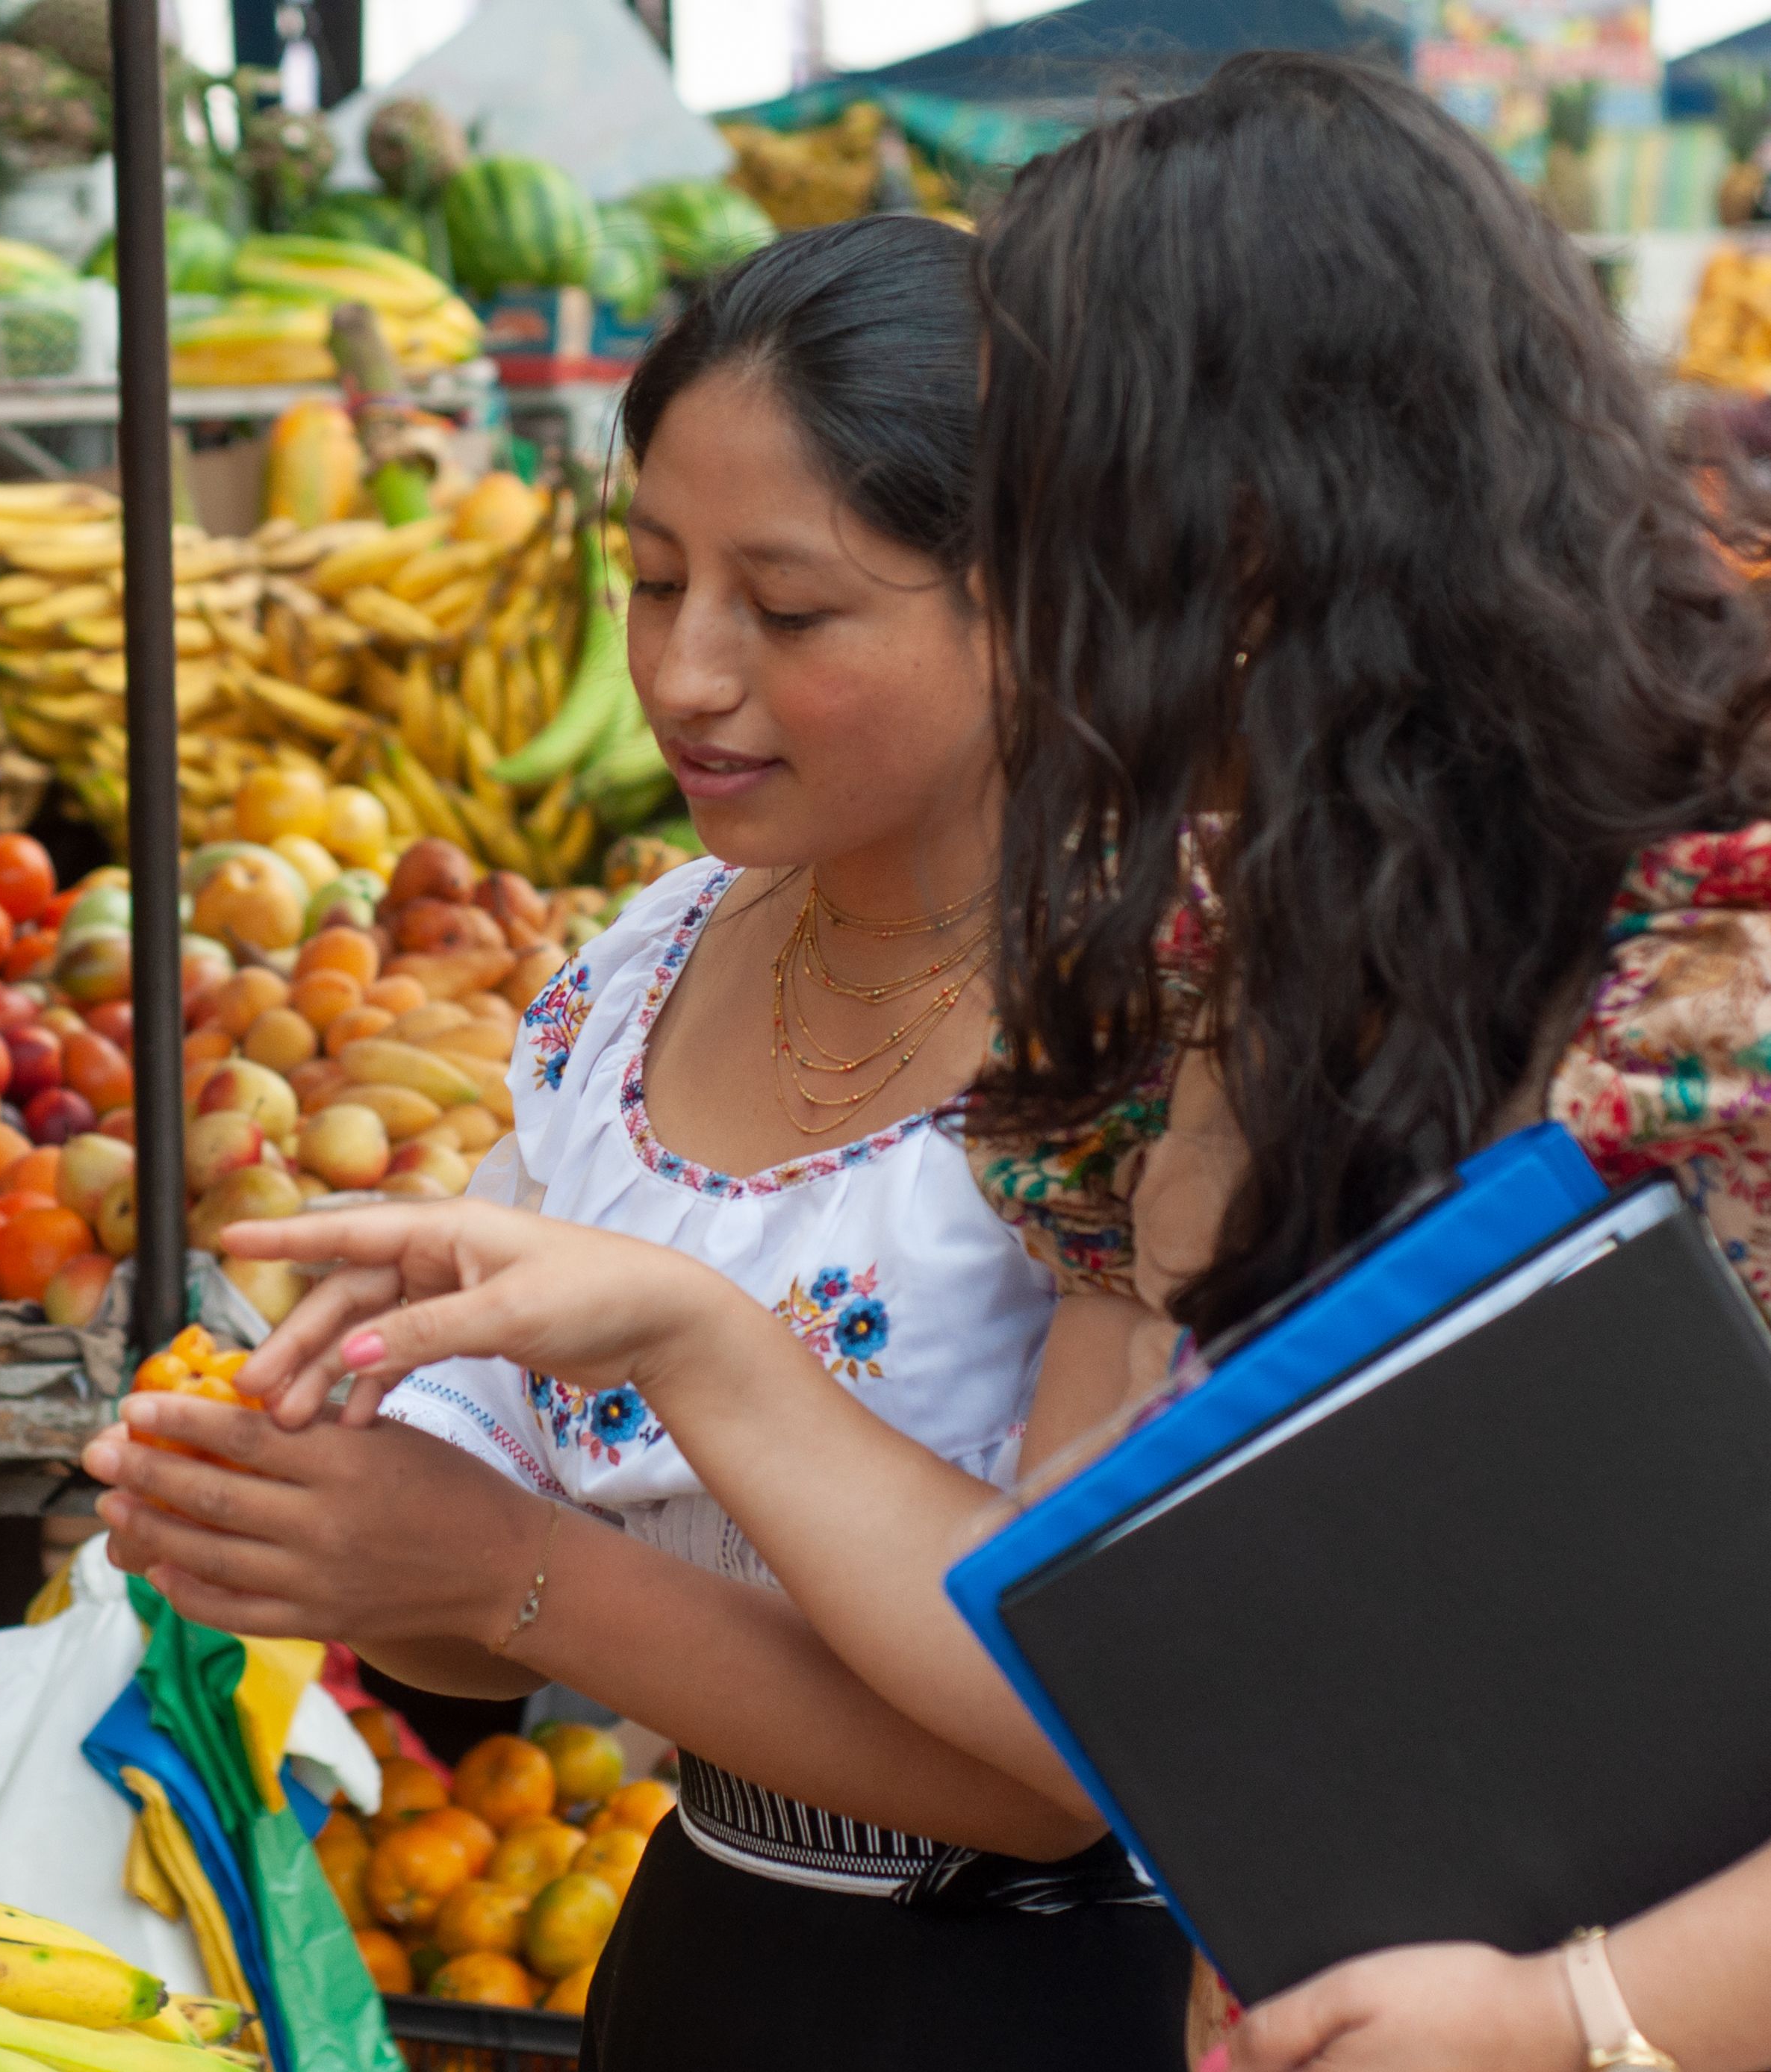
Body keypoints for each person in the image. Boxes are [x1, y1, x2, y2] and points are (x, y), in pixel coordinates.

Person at [131, 50, 1771, 2072]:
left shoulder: (1713, 962)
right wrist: (677, 1337)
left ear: (1267, 527)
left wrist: (1577, 2017)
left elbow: (1063, 1761)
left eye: (1072, 532)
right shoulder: (1263, 945)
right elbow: (1082, 1628)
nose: (1043, 615)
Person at [84, 210, 1195, 2070]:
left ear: (1032, 598)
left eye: (789, 605)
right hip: (697, 1960)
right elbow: (475, 1634)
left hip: (1055, 2001)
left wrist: (511, 1567)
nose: (684, 672)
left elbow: (1049, 1775)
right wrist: (326, 1501)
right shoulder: (641, 966)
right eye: (653, 577)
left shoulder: (1163, 1016)